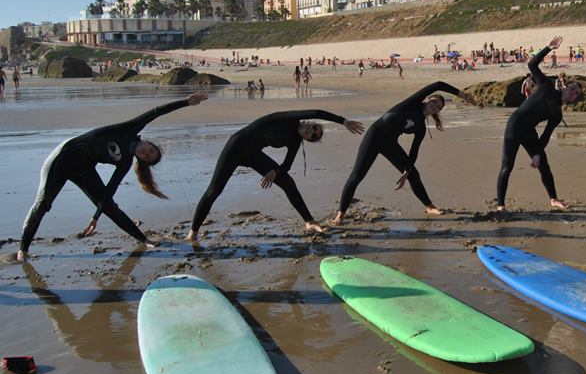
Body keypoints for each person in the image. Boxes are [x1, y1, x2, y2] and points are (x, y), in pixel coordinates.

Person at [19, 93, 208, 260]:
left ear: (142, 161)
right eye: (150, 150)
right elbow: (155, 112)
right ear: (148, 143)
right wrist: (185, 102)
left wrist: (96, 217)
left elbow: (110, 190)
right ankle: (23, 251)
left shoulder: (125, 162)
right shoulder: (128, 131)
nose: (146, 152)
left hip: (83, 169)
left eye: (148, 157)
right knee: (43, 203)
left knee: (110, 206)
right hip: (61, 158)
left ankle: (144, 239)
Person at [187, 110, 364, 240]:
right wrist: (343, 121)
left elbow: (287, 165)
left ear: (307, 140)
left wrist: (275, 171)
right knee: (214, 190)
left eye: (312, 135)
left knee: (288, 183)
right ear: (310, 122)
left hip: (253, 155)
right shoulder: (291, 119)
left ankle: (309, 221)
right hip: (235, 147)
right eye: (314, 127)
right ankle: (193, 232)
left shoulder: (295, 141)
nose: (310, 130)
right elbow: (317, 111)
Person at [331, 82, 479, 224]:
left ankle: (429, 206)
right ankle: (341, 214)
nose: (435, 106)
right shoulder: (412, 103)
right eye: (434, 102)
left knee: (414, 174)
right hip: (374, 137)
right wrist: (463, 95)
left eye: (438, 107)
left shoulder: (421, 127)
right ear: (427, 100)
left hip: (389, 143)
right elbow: (438, 84)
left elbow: (414, 152)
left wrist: (406, 172)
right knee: (357, 176)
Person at [496, 36, 582, 212]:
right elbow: (532, 65)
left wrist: (537, 153)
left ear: (574, 99)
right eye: (572, 88)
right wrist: (548, 48)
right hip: (515, 125)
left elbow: (546, 135)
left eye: (576, 93)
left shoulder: (558, 114)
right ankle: (500, 205)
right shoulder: (547, 86)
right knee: (507, 166)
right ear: (565, 87)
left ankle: (554, 199)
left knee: (544, 165)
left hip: (529, 131)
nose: (573, 92)